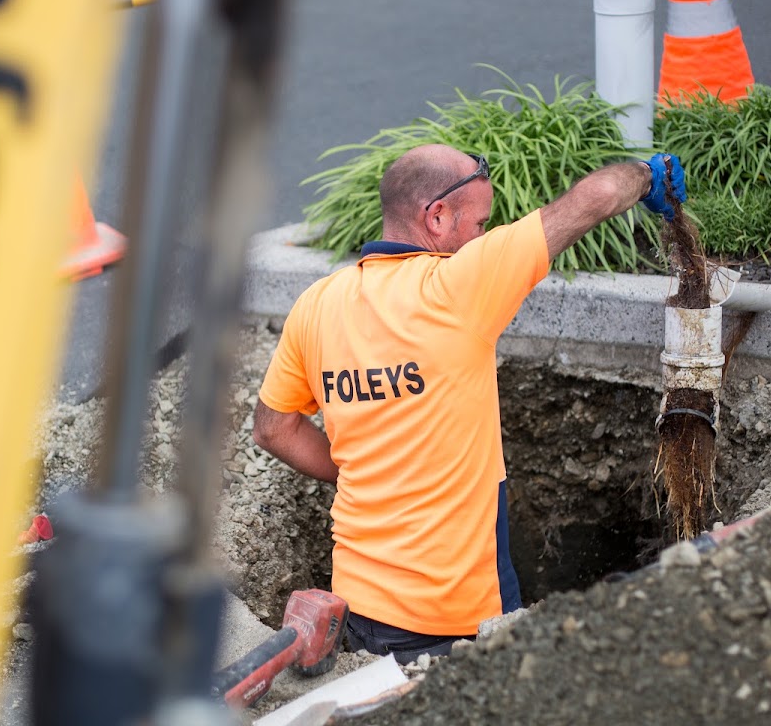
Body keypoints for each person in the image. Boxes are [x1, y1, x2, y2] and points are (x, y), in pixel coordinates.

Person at [252, 144, 686, 663]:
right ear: (437, 216)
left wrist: (360, 470)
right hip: (456, 615)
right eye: (479, 224)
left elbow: (273, 428)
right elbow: (596, 196)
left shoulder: (316, 305)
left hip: (359, 605)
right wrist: (647, 174)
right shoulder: (458, 285)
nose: (482, 235)